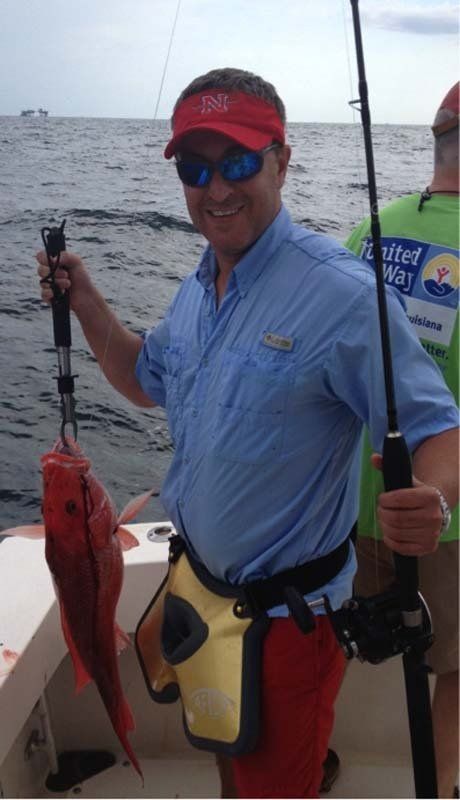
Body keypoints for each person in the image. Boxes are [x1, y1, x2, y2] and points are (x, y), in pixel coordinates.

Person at [36, 68, 459, 799]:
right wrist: (86, 302)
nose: (216, 188)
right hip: (197, 594)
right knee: (230, 763)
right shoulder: (200, 284)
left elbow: (439, 427)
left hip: (287, 628)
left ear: (282, 160)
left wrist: (434, 494)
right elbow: (144, 377)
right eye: (196, 169)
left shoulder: (343, 296)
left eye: (237, 162)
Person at [344, 81, 459, 800]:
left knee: (324, 655)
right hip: (445, 521)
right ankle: (441, 788)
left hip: (352, 511)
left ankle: (307, 764)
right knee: (459, 667)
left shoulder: (365, 234)